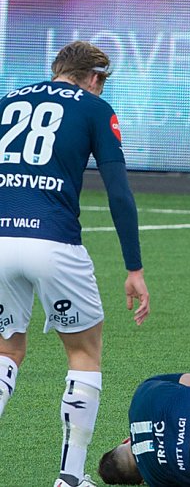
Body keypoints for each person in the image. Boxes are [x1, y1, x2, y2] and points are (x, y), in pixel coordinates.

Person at [0, 41, 150, 487]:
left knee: (7, 351)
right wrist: (134, 268)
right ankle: (68, 478)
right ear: (95, 77)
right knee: (84, 354)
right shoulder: (93, 108)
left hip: (2, 238)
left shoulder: (8, 99)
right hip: (55, 243)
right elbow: (119, 193)